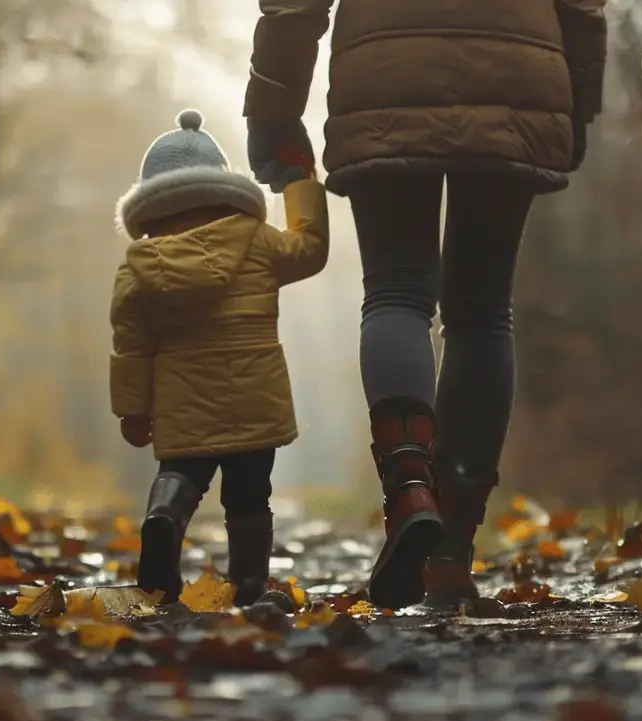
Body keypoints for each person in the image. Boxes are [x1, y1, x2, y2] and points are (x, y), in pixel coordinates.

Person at [244, 1, 610, 609]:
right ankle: (451, 551)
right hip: (517, 71)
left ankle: (411, 492)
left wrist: (275, 109)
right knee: (483, 312)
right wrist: (578, 101)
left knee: (396, 292)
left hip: (385, 74)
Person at [111, 108, 330, 608]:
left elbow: (130, 347)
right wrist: (299, 183)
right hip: (256, 396)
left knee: (181, 475)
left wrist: (133, 410)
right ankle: (250, 588)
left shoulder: (139, 266)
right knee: (250, 496)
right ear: (221, 186)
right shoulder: (257, 241)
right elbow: (311, 249)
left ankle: (163, 521)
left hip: (181, 399)